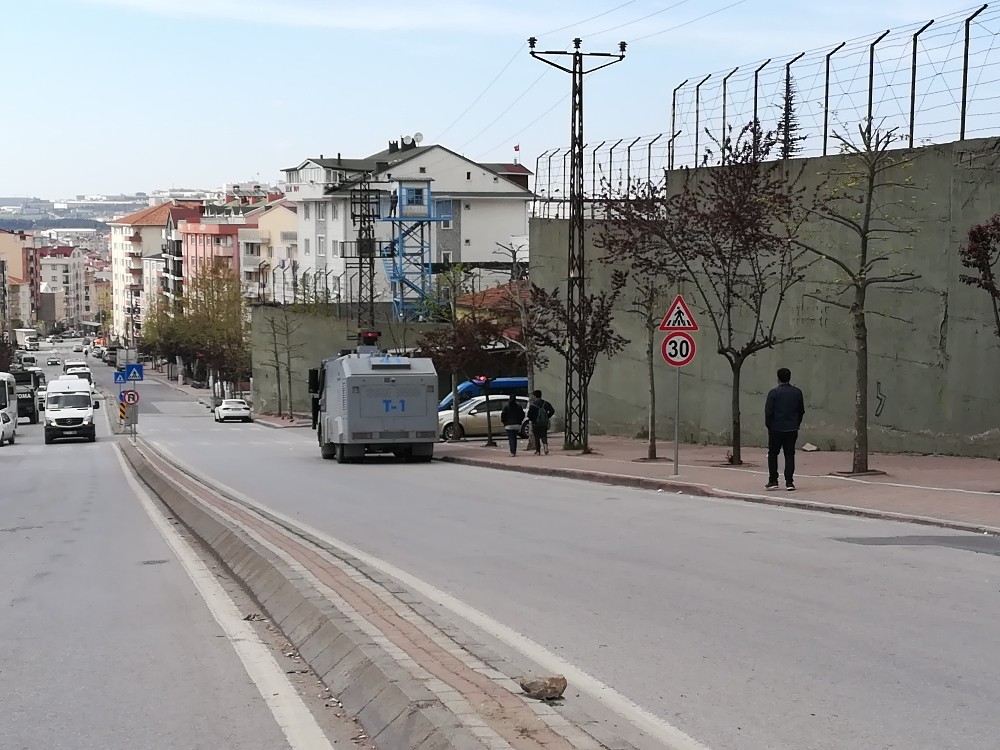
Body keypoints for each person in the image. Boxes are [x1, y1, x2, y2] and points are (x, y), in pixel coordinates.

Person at [765, 367, 805, 491]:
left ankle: (773, 480)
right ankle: (789, 482)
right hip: (791, 428)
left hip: (776, 428)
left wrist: (769, 426)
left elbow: (768, 412)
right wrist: (796, 424)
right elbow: (801, 411)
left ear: (778, 378)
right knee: (789, 454)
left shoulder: (773, 393)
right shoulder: (797, 392)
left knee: (773, 454)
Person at [526, 389, 555, 455]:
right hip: (544, 423)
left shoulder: (533, 405)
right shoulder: (545, 403)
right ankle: (545, 446)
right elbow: (552, 410)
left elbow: (529, 415)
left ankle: (538, 451)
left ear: (535, 396)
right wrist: (547, 417)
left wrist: (533, 420)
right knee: (544, 435)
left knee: (537, 437)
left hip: (536, 423)